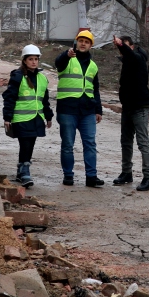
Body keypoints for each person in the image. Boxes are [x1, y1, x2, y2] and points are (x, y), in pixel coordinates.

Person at [55, 29, 105, 187]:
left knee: (90, 144)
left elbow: (95, 89)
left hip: (87, 110)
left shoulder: (93, 66)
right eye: (81, 41)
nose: (83, 44)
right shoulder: (67, 58)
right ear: (76, 42)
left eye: (87, 42)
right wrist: (66, 54)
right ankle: (68, 175)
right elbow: (58, 63)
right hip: (67, 109)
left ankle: (91, 176)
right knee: (68, 145)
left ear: (90, 45)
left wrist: (98, 110)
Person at [2, 44, 53, 188]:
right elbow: (9, 97)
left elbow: (44, 100)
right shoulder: (18, 77)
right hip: (21, 118)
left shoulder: (42, 78)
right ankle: (25, 171)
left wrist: (48, 116)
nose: (34, 62)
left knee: (30, 145)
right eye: (30, 59)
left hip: (36, 118)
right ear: (24, 60)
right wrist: (7, 117)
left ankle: (21, 171)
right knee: (25, 144)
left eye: (36, 59)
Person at [111, 35, 149, 191]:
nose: (123, 50)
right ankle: (126, 173)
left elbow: (130, 54)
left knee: (143, 143)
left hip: (140, 107)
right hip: (128, 107)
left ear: (132, 47)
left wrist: (120, 45)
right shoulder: (127, 62)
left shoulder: (138, 59)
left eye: (125, 46)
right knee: (126, 141)